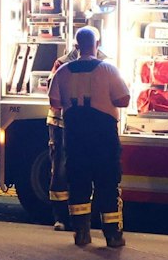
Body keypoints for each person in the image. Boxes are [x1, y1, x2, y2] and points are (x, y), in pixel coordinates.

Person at [48, 27, 133, 247]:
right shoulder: (108, 69)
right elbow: (123, 100)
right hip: (103, 135)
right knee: (107, 183)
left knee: (78, 182)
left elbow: (54, 103)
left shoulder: (62, 71)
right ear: (98, 44)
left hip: (75, 134)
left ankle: (81, 233)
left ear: (76, 46)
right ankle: (112, 235)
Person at [45, 29, 107, 230]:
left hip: (73, 125)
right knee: (66, 171)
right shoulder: (64, 64)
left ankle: (75, 218)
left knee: (69, 170)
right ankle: (63, 217)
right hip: (67, 125)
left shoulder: (64, 64)